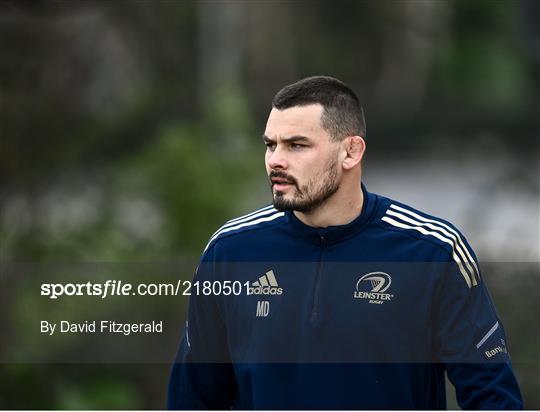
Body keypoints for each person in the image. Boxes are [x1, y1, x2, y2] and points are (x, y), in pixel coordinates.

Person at [167, 76, 523, 409]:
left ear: (351, 152)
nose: (275, 160)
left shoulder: (434, 252)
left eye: (296, 145)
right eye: (270, 144)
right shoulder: (230, 251)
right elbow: (193, 400)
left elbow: (493, 397)